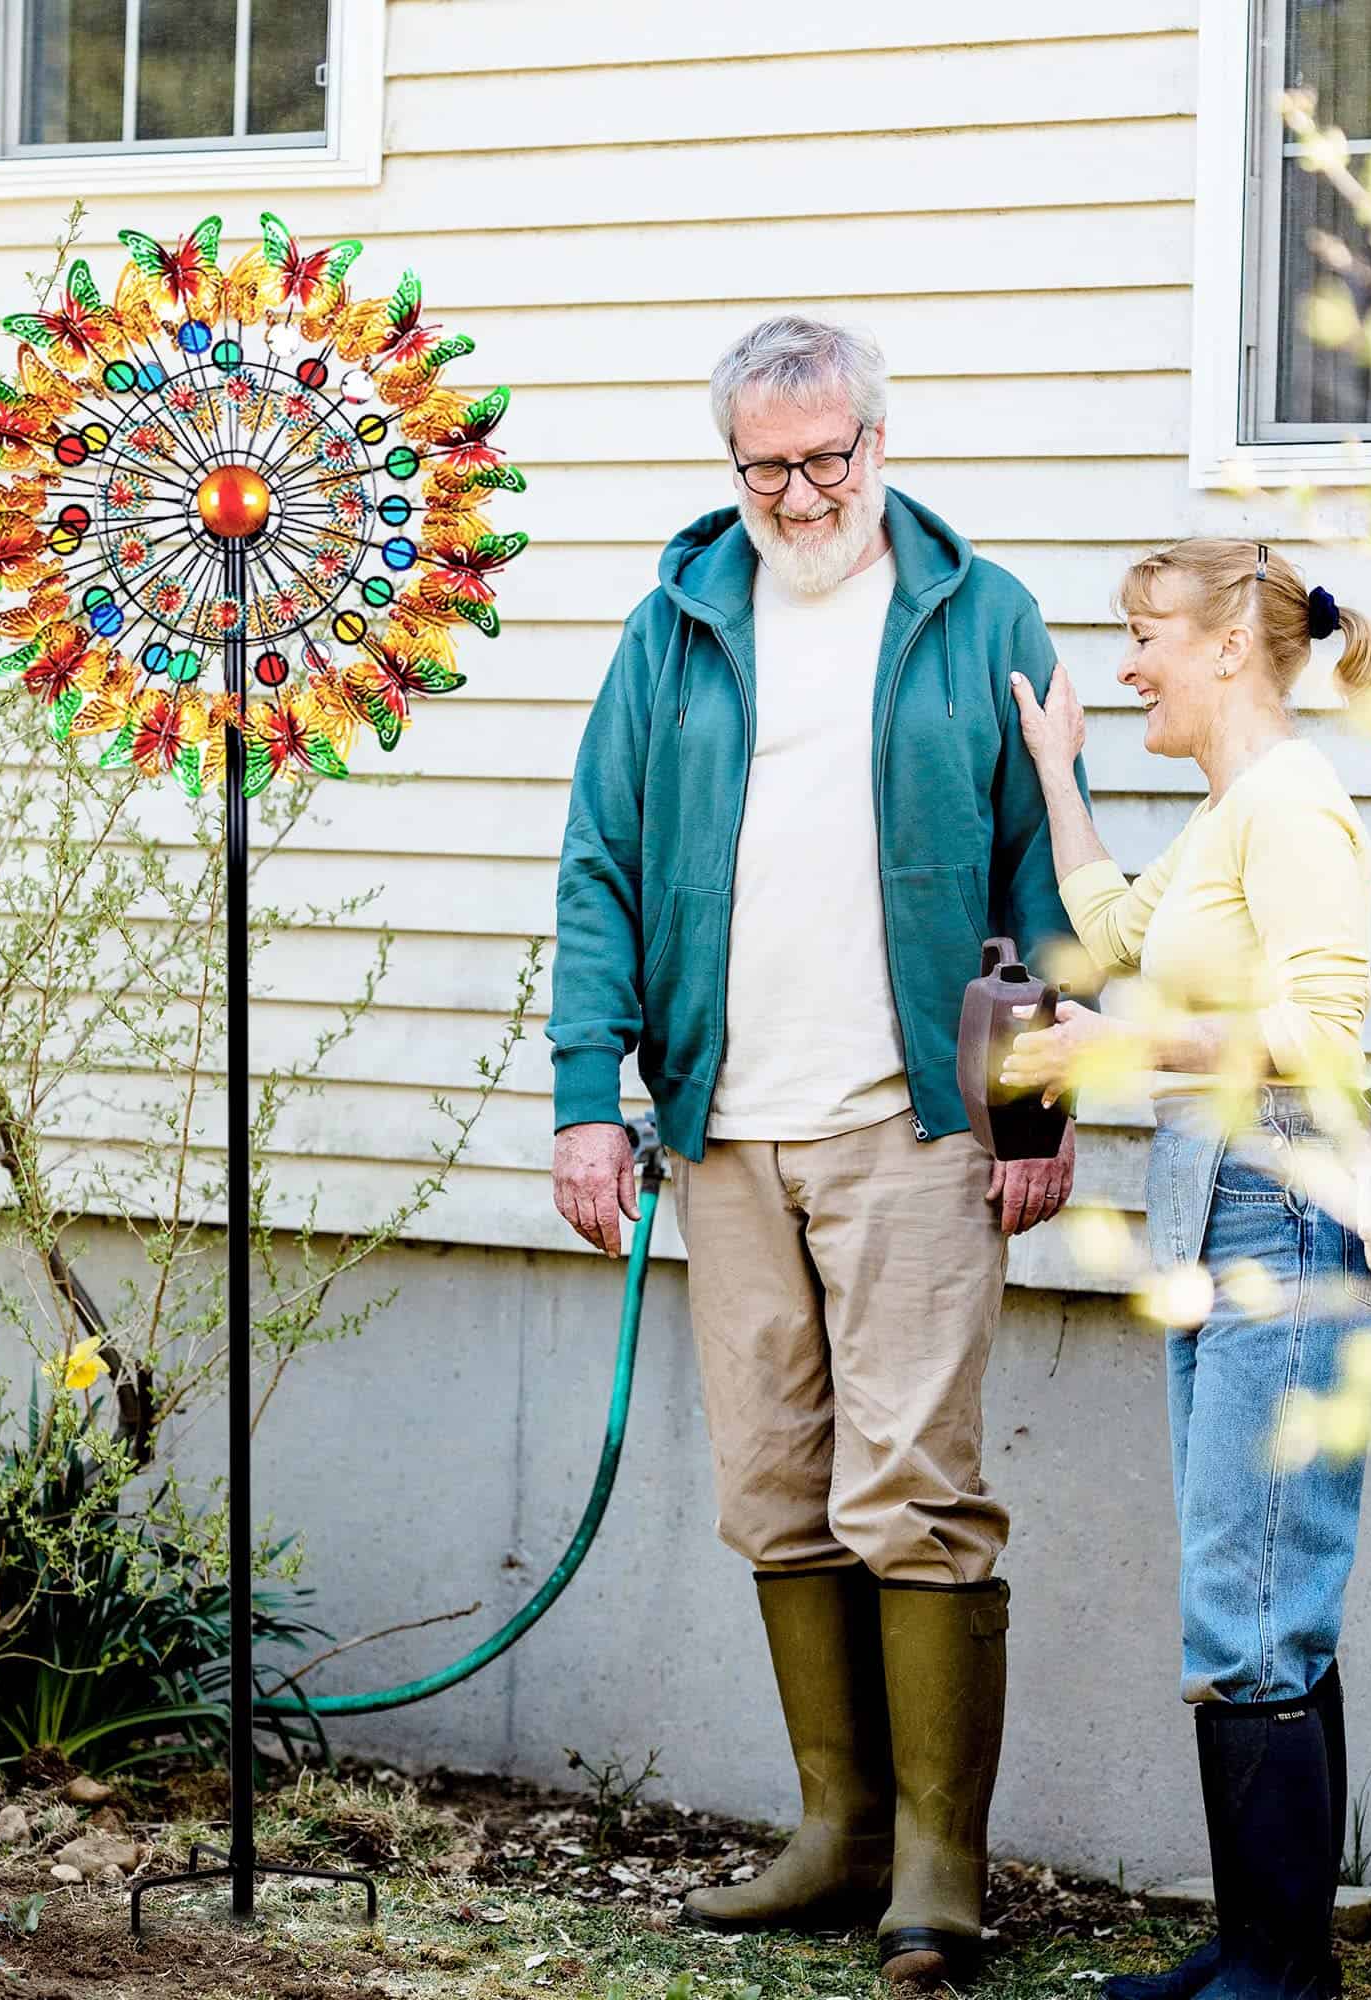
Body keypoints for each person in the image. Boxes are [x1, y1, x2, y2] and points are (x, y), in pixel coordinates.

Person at [547, 314, 1083, 1988]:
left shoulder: (976, 614)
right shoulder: (679, 627)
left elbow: (1045, 881)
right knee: (776, 1489)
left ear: (879, 443)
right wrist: (588, 1091)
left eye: (827, 456)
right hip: (722, 1127)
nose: (799, 491)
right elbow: (602, 865)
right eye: (766, 465)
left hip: (915, 1125)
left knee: (914, 1490)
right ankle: (836, 1831)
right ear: (733, 469)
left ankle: (940, 1862)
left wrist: (1039, 1106)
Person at [1001, 540, 1371, 2000]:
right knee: (1248, 1599)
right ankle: (1263, 1950)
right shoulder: (1233, 811)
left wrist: (1114, 1050)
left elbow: (1322, 1037)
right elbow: (1109, 934)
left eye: (1143, 637)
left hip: (1286, 1217)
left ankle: (1279, 1976)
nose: (1126, 667)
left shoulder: (1297, 809)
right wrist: (1059, 766)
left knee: (1253, 1606)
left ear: (1230, 646)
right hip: (1224, 1215)